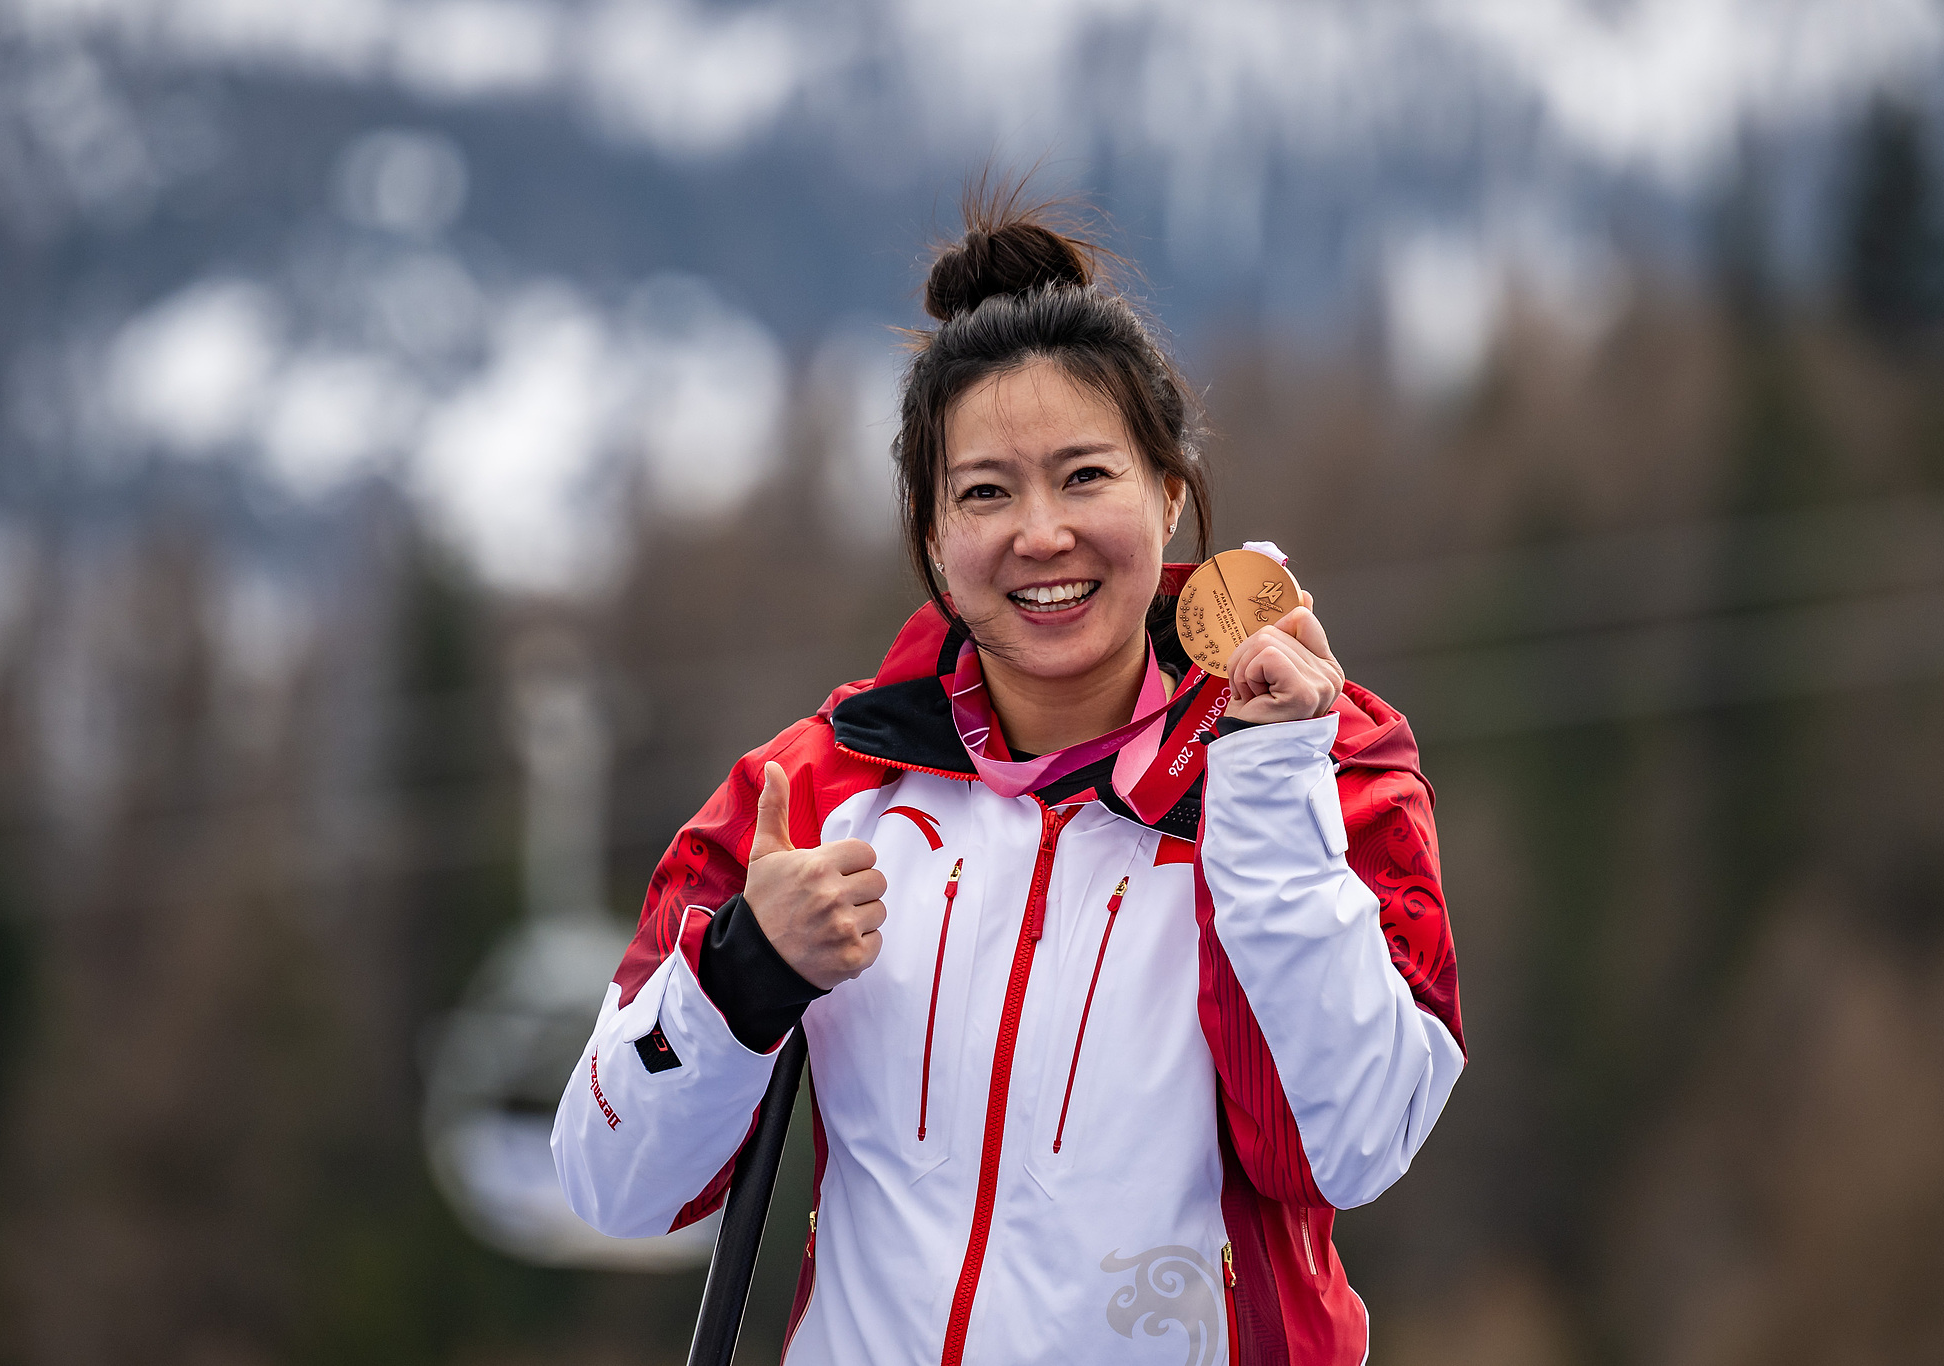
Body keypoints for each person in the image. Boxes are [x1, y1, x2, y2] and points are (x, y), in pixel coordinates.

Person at [552, 187, 1464, 1366]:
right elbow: (605, 1179)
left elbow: (1353, 1144)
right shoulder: (817, 790)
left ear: (1169, 492)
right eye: (984, 492)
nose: (1040, 535)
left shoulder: (1322, 762)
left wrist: (1266, 792)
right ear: (930, 534)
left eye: (1085, 476)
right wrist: (740, 976)